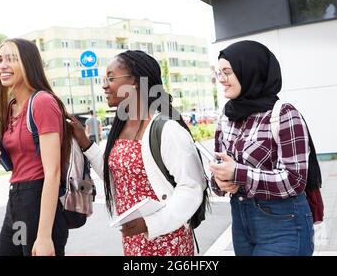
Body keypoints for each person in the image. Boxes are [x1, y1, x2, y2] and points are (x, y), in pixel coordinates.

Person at [67, 50, 206, 256]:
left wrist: (151, 223)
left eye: (111, 78)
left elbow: (192, 187)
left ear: (134, 82)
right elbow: (115, 174)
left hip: (168, 241)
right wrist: (85, 142)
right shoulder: (121, 127)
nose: (104, 85)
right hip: (135, 242)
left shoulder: (167, 128)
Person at [209, 40, 321, 256]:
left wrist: (238, 173)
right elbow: (218, 169)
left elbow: (295, 180)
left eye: (227, 72)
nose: (221, 79)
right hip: (241, 223)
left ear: (249, 70)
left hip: (284, 224)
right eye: (218, 73)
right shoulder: (227, 116)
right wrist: (220, 181)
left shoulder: (284, 114)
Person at [0, 38, 70, 256]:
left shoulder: (42, 102)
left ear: (28, 64)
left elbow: (53, 172)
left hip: (38, 203)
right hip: (17, 201)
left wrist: (44, 235)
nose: (2, 65)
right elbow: (22, 160)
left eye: (11, 59)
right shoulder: (11, 107)